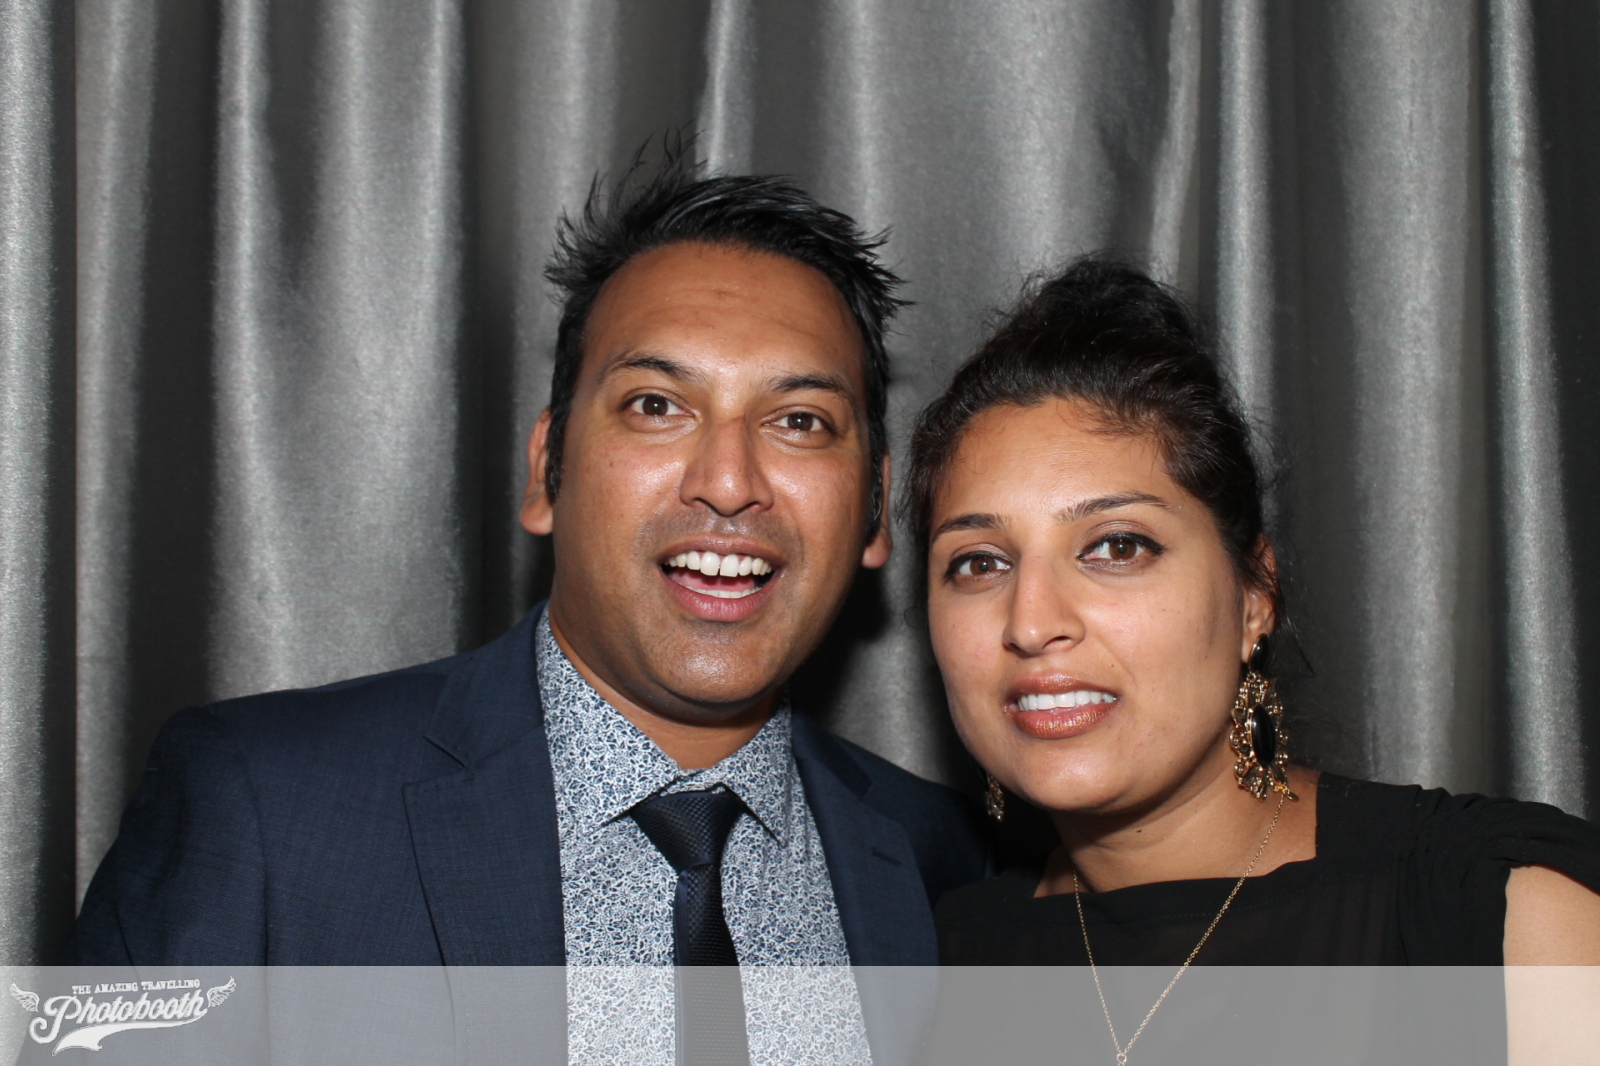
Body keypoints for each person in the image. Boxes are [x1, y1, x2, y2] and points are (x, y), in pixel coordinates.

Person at [62, 160, 990, 1063]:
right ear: (547, 470)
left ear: (876, 508)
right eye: (656, 404)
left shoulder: (950, 863)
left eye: (799, 421)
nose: (728, 481)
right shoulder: (260, 809)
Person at [904, 256, 1600, 1055]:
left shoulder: (1504, 920)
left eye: (1117, 546)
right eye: (980, 563)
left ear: (1254, 596)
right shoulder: (942, 966)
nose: (1032, 622)